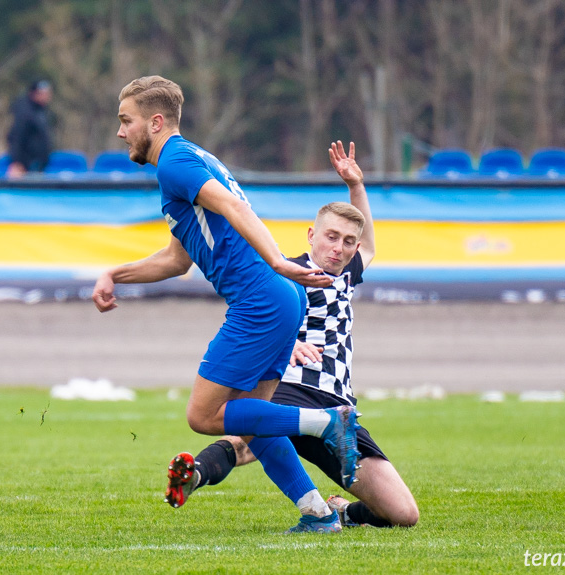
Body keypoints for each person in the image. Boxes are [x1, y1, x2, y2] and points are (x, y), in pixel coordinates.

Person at [92, 76, 362, 533]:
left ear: (155, 122)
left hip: (261, 298)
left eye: (126, 121)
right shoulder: (194, 159)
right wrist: (115, 274)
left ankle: (328, 422)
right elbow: (178, 259)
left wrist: (277, 261)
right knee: (256, 421)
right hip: (279, 298)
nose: (121, 132)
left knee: (202, 416)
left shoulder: (173, 163)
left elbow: (236, 210)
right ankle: (317, 514)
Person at [164, 141, 419, 528]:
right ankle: (194, 473)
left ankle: (341, 511)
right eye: (331, 237)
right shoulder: (282, 274)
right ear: (311, 235)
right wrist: (289, 342)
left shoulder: (348, 275)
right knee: (243, 436)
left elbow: (369, 243)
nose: (339, 248)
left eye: (347, 242)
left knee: (403, 514)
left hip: (338, 403)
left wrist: (356, 185)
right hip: (291, 384)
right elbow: (257, 317)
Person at [6, 80, 53, 178]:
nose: (45, 96)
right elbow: (16, 137)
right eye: (41, 93)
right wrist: (17, 162)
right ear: (33, 93)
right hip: (26, 164)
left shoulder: (41, 111)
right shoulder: (25, 111)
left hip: (39, 164)